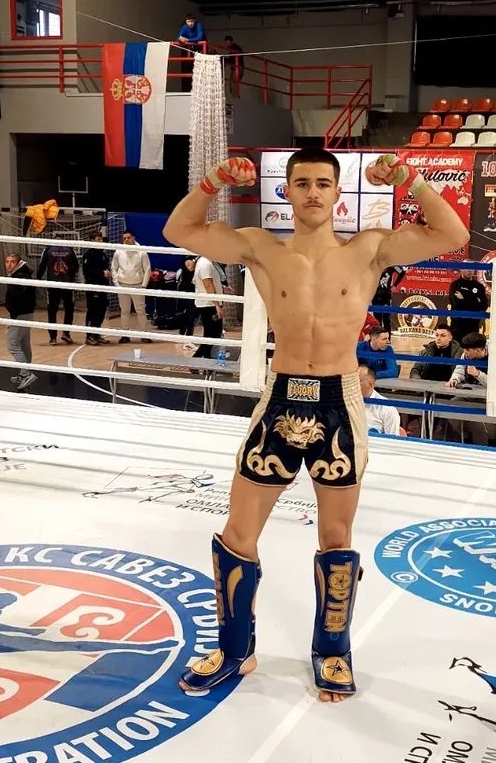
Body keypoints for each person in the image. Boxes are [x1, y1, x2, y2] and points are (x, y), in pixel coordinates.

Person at [163, 148, 468, 702]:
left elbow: (452, 233)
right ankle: (235, 651)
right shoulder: (261, 248)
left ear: (337, 192)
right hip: (281, 396)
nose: (312, 192)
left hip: (338, 402)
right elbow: (178, 229)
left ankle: (332, 651)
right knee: (238, 533)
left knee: (335, 537)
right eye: (301, 183)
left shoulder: (368, 249)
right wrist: (213, 180)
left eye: (322, 183)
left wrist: (410, 178)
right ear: (287, 191)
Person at [4, 253, 37, 391]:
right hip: (26, 313)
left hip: (20, 314)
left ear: (18, 263)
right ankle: (24, 374)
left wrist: (12, 309)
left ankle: (26, 374)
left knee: (12, 345)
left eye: (12, 262)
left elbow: (17, 296)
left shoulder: (20, 276)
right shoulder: (21, 274)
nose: (9, 264)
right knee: (24, 344)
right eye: (7, 261)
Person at [36, 242, 80, 346]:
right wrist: (70, 276)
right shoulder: (69, 249)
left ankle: (53, 338)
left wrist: (38, 278)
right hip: (66, 284)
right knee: (68, 309)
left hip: (53, 284)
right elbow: (76, 266)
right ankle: (66, 333)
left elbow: (42, 265)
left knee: (52, 311)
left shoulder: (48, 248)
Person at [81, 231, 111, 346]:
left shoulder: (103, 254)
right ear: (92, 240)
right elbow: (87, 271)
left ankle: (96, 334)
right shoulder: (88, 254)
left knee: (101, 310)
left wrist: (107, 273)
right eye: (98, 239)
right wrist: (101, 273)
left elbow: (105, 268)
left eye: (101, 239)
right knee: (92, 310)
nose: (100, 241)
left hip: (103, 286)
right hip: (93, 286)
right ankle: (89, 336)